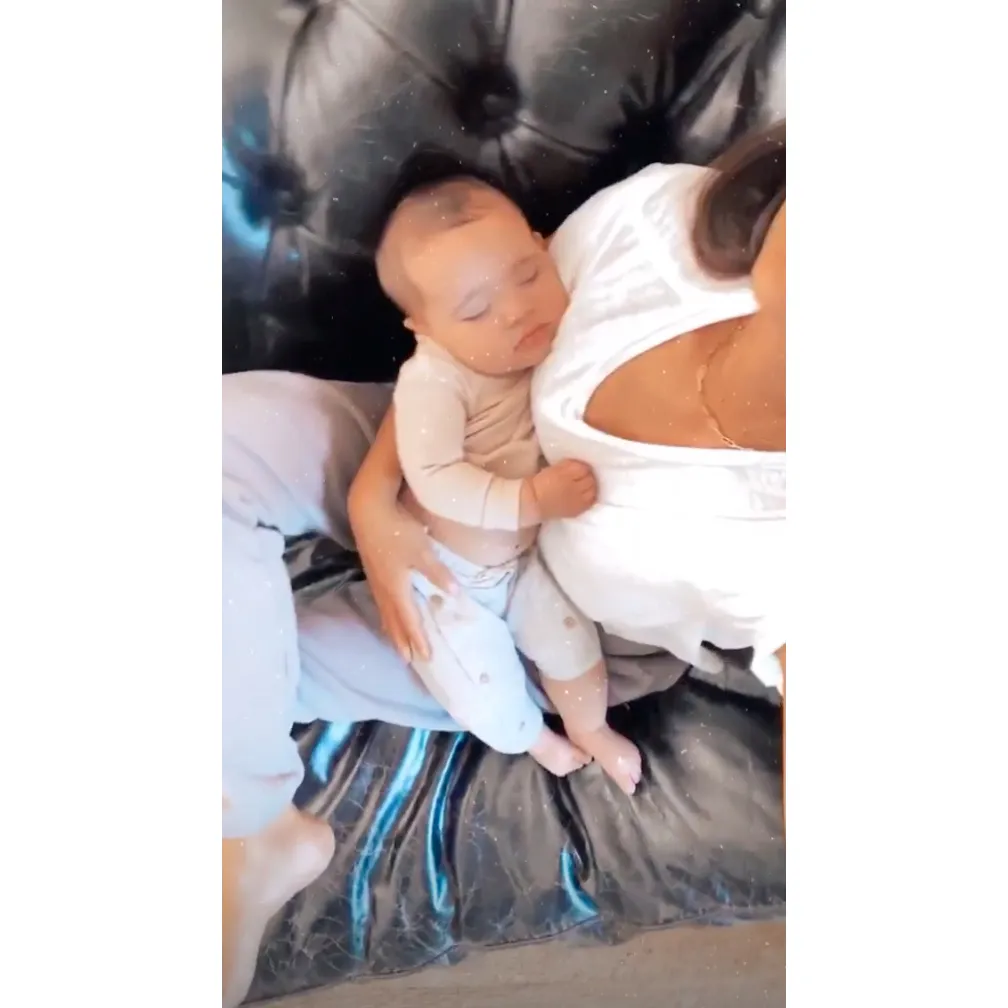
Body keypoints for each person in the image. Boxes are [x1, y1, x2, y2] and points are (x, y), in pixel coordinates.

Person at [222, 122, 785, 1006]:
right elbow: (452, 346)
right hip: (459, 434)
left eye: (527, 279)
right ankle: (250, 827)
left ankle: (245, 828)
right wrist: (376, 501)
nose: (521, 304)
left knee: (253, 671)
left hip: (546, 612)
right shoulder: (665, 219)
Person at [371, 178, 642, 794]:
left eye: (527, 275)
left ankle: (591, 728)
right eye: (475, 310)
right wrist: (531, 499)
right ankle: (534, 739)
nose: (517, 310)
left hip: (523, 563)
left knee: (574, 646)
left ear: (543, 247)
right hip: (447, 581)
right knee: (482, 689)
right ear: (425, 327)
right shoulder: (433, 381)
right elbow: (434, 477)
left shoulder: (556, 326)